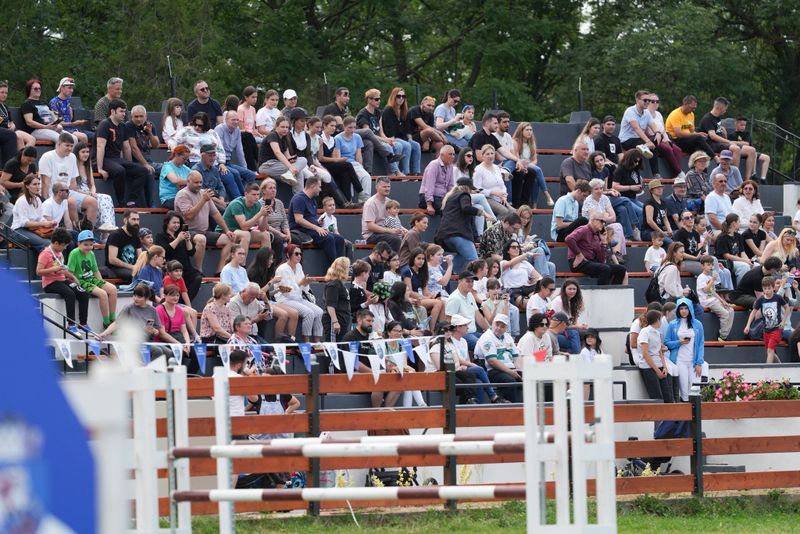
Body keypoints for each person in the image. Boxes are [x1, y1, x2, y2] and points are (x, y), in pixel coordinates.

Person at [175, 170, 239, 274]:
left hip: (203, 231)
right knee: (201, 239)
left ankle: (220, 271)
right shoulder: (182, 195)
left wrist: (226, 230)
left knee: (230, 239)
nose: (199, 185)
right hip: (186, 231)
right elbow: (189, 215)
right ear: (188, 181)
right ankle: (198, 270)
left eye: (200, 182)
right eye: (196, 182)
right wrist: (203, 200)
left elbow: (215, 214)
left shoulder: (204, 194)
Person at [38, 134, 97, 233]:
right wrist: (45, 200)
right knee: (71, 201)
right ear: (59, 144)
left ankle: (89, 234)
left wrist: (83, 193)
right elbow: (45, 182)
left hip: (68, 191)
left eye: (71, 146)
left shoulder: (73, 157)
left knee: (92, 201)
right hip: (53, 193)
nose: (70, 148)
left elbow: (73, 182)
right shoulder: (47, 157)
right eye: (67, 145)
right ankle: (77, 232)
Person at [95, 99, 149, 207]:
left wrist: (130, 165)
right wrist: (99, 168)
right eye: (121, 111)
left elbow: (126, 148)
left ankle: (131, 200)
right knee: (120, 171)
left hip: (117, 159)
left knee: (143, 170)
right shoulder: (104, 124)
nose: (124, 114)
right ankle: (121, 202)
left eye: (125, 112)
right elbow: (100, 147)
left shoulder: (123, 126)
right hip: (106, 158)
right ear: (112, 111)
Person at [37, 228, 90, 335]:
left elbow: (63, 270)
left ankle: (83, 324)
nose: (65, 248)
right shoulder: (45, 254)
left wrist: (73, 277)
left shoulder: (59, 253)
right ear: (56, 243)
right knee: (70, 294)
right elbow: (38, 271)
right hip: (50, 283)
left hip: (62, 280)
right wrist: (54, 269)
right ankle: (71, 325)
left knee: (83, 293)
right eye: (64, 245)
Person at [67, 229, 118, 329]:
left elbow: (95, 271)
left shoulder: (91, 254)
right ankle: (106, 322)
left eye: (91, 244)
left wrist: (101, 282)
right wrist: (76, 284)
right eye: (86, 244)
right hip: (81, 281)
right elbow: (70, 273)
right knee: (102, 294)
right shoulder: (74, 253)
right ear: (78, 243)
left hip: (91, 279)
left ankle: (113, 320)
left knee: (113, 289)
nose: (89, 247)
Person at [246, 246, 298, 342]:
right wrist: (272, 282)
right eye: (269, 259)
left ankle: (291, 340)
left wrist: (278, 290)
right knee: (283, 315)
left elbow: (266, 293)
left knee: (294, 313)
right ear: (263, 259)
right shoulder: (253, 273)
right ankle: (278, 342)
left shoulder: (266, 271)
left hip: (267, 300)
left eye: (272, 259)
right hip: (257, 302)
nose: (271, 261)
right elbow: (258, 294)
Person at [287, 176, 344, 263]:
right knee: (329, 238)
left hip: (312, 229)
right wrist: (316, 228)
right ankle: (334, 270)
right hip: (300, 230)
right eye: (319, 186)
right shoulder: (299, 198)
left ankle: (341, 267)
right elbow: (299, 220)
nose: (320, 189)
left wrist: (319, 223)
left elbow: (311, 217)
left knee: (339, 239)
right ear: (313, 186)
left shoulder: (313, 200)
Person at [435, 179, 485, 273]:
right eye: (470, 190)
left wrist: (475, 237)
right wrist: (482, 213)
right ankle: (474, 284)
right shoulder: (464, 195)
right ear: (467, 189)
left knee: (462, 255)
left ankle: (442, 275)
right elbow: (466, 208)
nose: (471, 192)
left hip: (445, 236)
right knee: (474, 260)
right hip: (458, 234)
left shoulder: (449, 198)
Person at [275, 244, 323, 341]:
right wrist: (301, 283)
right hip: (285, 300)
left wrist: (306, 283)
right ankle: (307, 341)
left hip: (298, 298)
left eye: (300, 254)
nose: (299, 256)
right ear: (288, 255)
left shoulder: (299, 266)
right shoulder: (282, 269)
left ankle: (317, 342)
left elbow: (304, 289)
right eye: (296, 254)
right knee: (309, 313)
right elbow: (287, 292)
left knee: (319, 312)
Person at [565, 211, 627, 285]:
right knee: (605, 269)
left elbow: (601, 260)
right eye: (601, 221)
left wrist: (604, 242)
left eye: (605, 222)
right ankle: (602, 293)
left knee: (621, 269)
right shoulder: (584, 229)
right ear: (593, 220)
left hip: (591, 262)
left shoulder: (597, 235)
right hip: (579, 262)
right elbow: (569, 239)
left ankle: (613, 292)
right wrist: (579, 255)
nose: (603, 224)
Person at [663, 298, 707, 402]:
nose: (684, 310)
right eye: (681, 308)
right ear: (678, 309)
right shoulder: (672, 324)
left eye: (686, 308)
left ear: (690, 309)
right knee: (684, 391)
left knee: (695, 390)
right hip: (679, 361)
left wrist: (699, 363)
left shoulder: (698, 324)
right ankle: (685, 416)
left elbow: (701, 344)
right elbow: (667, 342)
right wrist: (679, 342)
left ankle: (695, 416)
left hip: (693, 361)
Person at [474, 314, 521, 403]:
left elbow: (516, 357)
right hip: (492, 370)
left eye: (502, 326)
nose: (498, 328)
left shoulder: (508, 337)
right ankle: (510, 410)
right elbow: (492, 361)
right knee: (510, 380)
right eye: (497, 324)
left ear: (506, 328)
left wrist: (518, 370)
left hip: (509, 369)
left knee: (527, 379)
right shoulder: (487, 337)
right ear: (492, 323)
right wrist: (511, 372)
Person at [156, 211, 203, 299]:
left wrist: (188, 240)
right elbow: (164, 252)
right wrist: (178, 239)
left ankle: (185, 302)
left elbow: (191, 252)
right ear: (167, 223)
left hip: (186, 267)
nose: (177, 225)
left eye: (178, 223)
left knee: (197, 277)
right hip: (171, 267)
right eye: (174, 222)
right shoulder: (161, 236)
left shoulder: (181, 235)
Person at [699, 97, 755, 170]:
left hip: (720, 144)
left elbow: (719, 133)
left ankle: (748, 179)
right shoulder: (708, 118)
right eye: (725, 108)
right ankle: (733, 176)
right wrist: (729, 142)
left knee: (751, 150)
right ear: (721, 108)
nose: (725, 110)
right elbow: (713, 136)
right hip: (712, 145)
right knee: (736, 148)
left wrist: (725, 134)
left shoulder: (717, 118)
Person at [220, 182, 272, 260]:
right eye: (254, 195)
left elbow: (262, 228)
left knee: (266, 235)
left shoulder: (257, 205)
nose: (257, 197)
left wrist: (265, 215)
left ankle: (263, 266)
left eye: (258, 194)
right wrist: (259, 214)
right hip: (226, 231)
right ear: (246, 194)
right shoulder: (237, 204)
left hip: (240, 232)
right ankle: (242, 265)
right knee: (246, 234)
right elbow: (244, 227)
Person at [72, 142, 116, 234]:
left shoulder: (88, 166)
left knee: (106, 197)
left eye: (87, 152)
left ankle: (107, 228)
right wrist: (88, 194)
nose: (86, 154)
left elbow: (92, 185)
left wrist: (93, 192)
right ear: (77, 153)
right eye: (83, 152)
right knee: (102, 199)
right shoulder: (73, 166)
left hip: (90, 193)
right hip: (79, 195)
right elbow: (73, 188)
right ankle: (105, 231)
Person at [745, 276, 789, 363]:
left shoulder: (778, 298)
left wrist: (783, 321)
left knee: (770, 350)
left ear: (773, 288)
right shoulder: (761, 300)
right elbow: (753, 312)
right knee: (770, 352)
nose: (767, 290)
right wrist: (747, 325)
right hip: (766, 330)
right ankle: (780, 366)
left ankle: (767, 371)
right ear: (763, 289)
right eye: (765, 288)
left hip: (776, 329)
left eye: (769, 288)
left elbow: (787, 308)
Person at [19, 79, 74, 145]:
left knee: (73, 138)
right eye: (35, 89)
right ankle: (59, 155)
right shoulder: (27, 104)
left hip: (50, 128)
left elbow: (52, 115)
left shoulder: (44, 102)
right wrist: (46, 127)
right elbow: (29, 122)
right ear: (29, 90)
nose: (38, 90)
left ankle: (71, 155)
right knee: (59, 138)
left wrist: (56, 123)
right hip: (36, 130)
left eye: (40, 88)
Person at [582, 178, 627, 259]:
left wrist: (603, 216)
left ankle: (617, 254)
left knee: (617, 226)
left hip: (604, 225)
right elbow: (594, 218)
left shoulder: (605, 198)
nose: (599, 191)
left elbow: (613, 217)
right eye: (596, 189)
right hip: (592, 227)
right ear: (591, 190)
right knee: (603, 227)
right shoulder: (588, 200)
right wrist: (605, 215)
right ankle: (609, 252)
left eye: (601, 188)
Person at [381, 87, 421, 176]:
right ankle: (404, 172)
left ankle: (415, 172)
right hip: (391, 137)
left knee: (416, 145)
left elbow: (407, 130)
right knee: (406, 145)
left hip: (402, 138)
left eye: (403, 96)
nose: (401, 98)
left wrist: (410, 139)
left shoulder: (404, 111)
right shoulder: (388, 110)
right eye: (398, 96)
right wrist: (403, 140)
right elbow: (389, 131)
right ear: (394, 97)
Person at [511, 121, 553, 207]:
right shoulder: (515, 142)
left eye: (531, 130)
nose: (529, 132)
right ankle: (546, 194)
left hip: (528, 165)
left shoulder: (531, 143)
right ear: (521, 131)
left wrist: (528, 164)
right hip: (518, 165)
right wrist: (524, 165)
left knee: (535, 175)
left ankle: (531, 204)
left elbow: (534, 160)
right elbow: (516, 157)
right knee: (537, 170)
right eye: (527, 130)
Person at [445, 271, 489, 351]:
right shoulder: (454, 298)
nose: (471, 284)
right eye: (468, 281)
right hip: (463, 334)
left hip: (473, 333)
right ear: (459, 281)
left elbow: (478, 316)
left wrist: (489, 331)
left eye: (472, 281)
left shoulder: (470, 295)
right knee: (485, 346)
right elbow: (448, 320)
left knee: (492, 342)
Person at [10, 173, 55, 252]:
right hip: (18, 231)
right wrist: (43, 224)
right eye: (34, 184)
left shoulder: (37, 199)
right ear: (27, 186)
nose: (38, 187)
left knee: (59, 239)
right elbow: (24, 223)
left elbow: (40, 218)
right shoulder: (22, 201)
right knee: (47, 243)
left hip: (32, 229)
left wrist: (49, 222)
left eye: (38, 184)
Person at [658, 242, 704, 319]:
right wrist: (683, 292)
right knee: (698, 309)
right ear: (674, 253)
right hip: (668, 300)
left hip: (667, 298)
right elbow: (670, 288)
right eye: (681, 252)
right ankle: (690, 329)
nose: (683, 254)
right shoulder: (672, 268)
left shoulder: (665, 264)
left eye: (683, 252)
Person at [400, 247, 443, 328]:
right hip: (413, 299)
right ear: (413, 259)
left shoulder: (423, 272)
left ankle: (442, 328)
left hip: (422, 298)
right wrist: (424, 297)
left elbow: (425, 291)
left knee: (442, 301)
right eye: (419, 258)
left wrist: (431, 296)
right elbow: (410, 292)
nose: (421, 261)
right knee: (437, 303)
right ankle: (432, 329)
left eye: (423, 259)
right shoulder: (407, 271)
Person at [636, 310, 673, 402]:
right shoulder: (645, 332)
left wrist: (664, 367)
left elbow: (659, 351)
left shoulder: (657, 333)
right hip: (648, 367)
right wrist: (657, 370)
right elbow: (645, 353)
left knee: (667, 394)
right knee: (656, 396)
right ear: (657, 320)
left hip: (659, 365)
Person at [646, 93, 686, 179]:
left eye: (657, 101)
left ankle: (675, 174)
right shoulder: (645, 114)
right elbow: (648, 131)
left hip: (663, 138)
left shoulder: (659, 114)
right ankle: (679, 172)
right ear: (648, 102)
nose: (655, 103)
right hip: (653, 139)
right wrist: (662, 140)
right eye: (653, 101)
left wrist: (667, 140)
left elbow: (663, 130)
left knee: (677, 149)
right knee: (667, 149)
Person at [696, 255, 735, 341]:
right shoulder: (701, 277)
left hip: (713, 300)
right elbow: (706, 290)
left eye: (711, 265)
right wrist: (713, 279)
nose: (710, 267)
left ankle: (725, 335)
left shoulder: (709, 277)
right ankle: (722, 336)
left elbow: (713, 292)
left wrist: (722, 301)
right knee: (725, 314)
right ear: (702, 266)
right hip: (707, 301)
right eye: (708, 264)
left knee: (731, 310)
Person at [334, 116, 372, 202]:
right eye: (350, 127)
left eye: (354, 127)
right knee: (349, 177)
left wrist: (360, 166)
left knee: (366, 176)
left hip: (354, 163)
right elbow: (338, 157)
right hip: (344, 164)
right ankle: (349, 201)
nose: (352, 130)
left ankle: (364, 199)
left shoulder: (357, 137)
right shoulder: (338, 138)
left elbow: (358, 155)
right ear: (344, 127)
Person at [665, 95, 716, 159]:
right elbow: (679, 134)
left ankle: (703, 164)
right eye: (692, 107)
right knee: (699, 139)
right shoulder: (675, 114)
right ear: (685, 104)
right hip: (676, 140)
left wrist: (700, 135)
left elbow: (692, 131)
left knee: (703, 141)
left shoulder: (691, 114)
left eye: (695, 108)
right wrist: (697, 135)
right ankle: (715, 157)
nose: (693, 110)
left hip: (686, 140)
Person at [216, 111, 258, 186]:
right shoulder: (219, 129)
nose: (236, 122)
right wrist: (221, 162)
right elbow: (219, 149)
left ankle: (244, 193)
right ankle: (240, 195)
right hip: (219, 162)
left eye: (237, 120)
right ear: (226, 119)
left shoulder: (237, 130)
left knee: (251, 175)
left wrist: (245, 168)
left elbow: (240, 151)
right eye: (233, 120)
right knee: (236, 173)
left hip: (228, 162)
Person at [361, 176, 402, 250]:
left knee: (409, 235)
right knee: (395, 239)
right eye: (384, 187)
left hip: (386, 232)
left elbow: (395, 221)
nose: (387, 189)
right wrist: (391, 231)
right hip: (372, 235)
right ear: (377, 187)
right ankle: (392, 261)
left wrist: (403, 230)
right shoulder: (370, 203)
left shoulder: (389, 201)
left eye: (389, 186)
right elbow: (370, 226)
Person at [728, 116, 770, 182]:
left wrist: (738, 142)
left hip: (752, 151)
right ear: (736, 124)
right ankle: (752, 174)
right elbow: (730, 143)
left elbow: (747, 144)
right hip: (742, 151)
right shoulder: (731, 135)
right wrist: (741, 143)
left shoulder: (747, 134)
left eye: (744, 125)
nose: (743, 127)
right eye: (741, 125)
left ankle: (763, 178)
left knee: (766, 157)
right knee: (752, 152)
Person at [611, 149, 646, 230]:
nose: (637, 164)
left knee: (646, 209)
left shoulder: (636, 170)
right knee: (641, 212)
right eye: (635, 161)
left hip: (633, 198)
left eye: (638, 162)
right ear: (629, 159)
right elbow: (615, 187)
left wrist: (639, 188)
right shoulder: (621, 170)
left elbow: (637, 185)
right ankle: (640, 231)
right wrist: (631, 187)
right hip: (622, 199)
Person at [550, 278, 587, 354]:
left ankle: (575, 355)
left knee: (589, 334)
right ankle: (577, 357)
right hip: (556, 332)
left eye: (574, 289)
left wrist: (581, 326)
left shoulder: (573, 302)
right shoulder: (558, 301)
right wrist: (578, 327)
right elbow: (554, 324)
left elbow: (574, 323)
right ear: (564, 289)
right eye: (570, 289)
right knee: (574, 334)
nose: (572, 291)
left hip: (566, 331)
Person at [47, 77, 89, 143]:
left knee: (95, 135)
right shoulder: (54, 102)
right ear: (62, 88)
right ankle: (81, 153)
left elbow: (69, 117)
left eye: (72, 88)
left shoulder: (68, 99)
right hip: (62, 130)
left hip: (72, 129)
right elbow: (57, 123)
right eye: (69, 88)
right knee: (83, 137)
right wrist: (75, 123)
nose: (72, 90)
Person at [0, 81, 35, 161]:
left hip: (11, 130)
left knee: (32, 139)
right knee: (18, 137)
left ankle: (23, 160)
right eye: (2, 92)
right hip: (4, 130)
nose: (4, 95)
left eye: (6, 93)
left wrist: (12, 126)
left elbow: (11, 122)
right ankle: (19, 163)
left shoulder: (5, 107)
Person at [419, 144, 457, 214]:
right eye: (450, 154)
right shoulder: (434, 165)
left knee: (458, 207)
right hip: (429, 197)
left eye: (453, 154)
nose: (452, 157)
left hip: (442, 197)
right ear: (442, 155)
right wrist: (429, 205)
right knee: (447, 209)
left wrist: (453, 198)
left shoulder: (450, 166)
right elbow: (429, 185)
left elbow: (450, 185)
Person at [105, 209, 140, 282]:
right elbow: (112, 260)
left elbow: (140, 256)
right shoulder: (115, 235)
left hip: (131, 267)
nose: (136, 222)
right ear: (125, 220)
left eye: (138, 220)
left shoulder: (136, 236)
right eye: (133, 219)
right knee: (135, 275)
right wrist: (131, 267)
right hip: (115, 268)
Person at [715, 213, 752, 282]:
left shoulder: (738, 236)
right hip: (725, 262)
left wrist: (748, 261)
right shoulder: (722, 238)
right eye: (739, 221)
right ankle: (740, 289)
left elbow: (742, 252)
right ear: (734, 223)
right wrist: (744, 261)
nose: (740, 223)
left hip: (737, 260)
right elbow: (727, 256)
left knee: (755, 266)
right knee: (744, 266)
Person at [322, 257, 352, 342]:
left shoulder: (340, 283)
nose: (349, 270)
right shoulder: (334, 284)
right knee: (333, 348)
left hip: (342, 320)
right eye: (348, 267)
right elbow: (330, 305)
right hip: (335, 321)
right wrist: (335, 322)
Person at [158, 145, 191, 209]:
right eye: (184, 159)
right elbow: (175, 180)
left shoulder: (186, 169)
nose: (185, 162)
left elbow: (195, 178)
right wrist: (190, 182)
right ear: (176, 155)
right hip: (169, 198)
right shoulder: (167, 166)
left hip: (183, 197)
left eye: (186, 160)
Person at [642, 179, 673, 244]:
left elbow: (665, 218)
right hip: (648, 232)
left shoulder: (663, 202)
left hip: (659, 231)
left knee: (675, 237)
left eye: (661, 188)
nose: (660, 189)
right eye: (657, 188)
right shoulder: (649, 202)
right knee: (670, 243)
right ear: (651, 190)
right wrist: (661, 232)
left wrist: (669, 229)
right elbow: (649, 221)